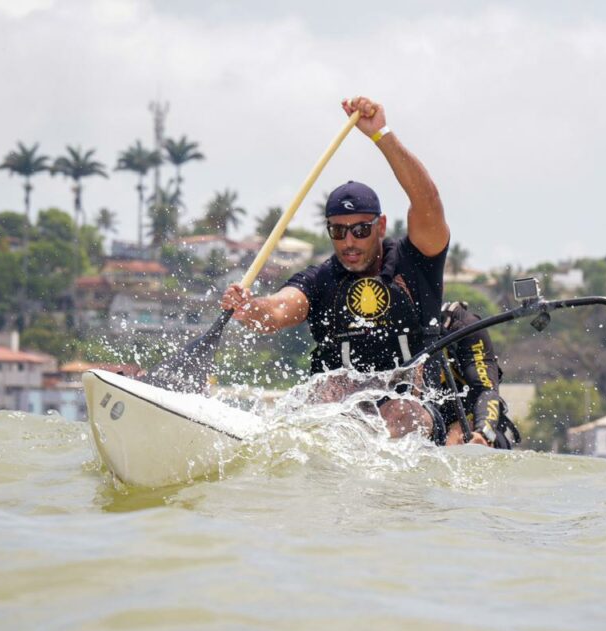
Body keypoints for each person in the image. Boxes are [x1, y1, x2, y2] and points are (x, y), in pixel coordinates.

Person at [221, 96, 450, 442]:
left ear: (381, 226)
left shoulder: (414, 261)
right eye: (338, 231)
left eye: (360, 230)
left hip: (412, 409)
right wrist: (248, 307)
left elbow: (427, 201)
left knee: (401, 414)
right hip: (340, 412)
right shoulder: (320, 280)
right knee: (312, 402)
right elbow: (278, 310)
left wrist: (381, 135)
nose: (349, 242)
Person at [436, 301, 520, 449]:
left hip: (471, 425)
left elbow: (485, 390)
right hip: (425, 424)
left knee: (460, 433)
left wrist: (483, 433)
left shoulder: (463, 325)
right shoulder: (393, 327)